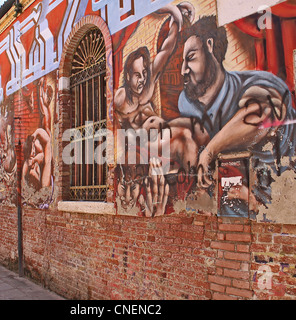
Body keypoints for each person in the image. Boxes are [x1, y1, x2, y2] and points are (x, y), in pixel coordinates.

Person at [178, 15, 296, 217]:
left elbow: (262, 115)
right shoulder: (187, 105)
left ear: (209, 46)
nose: (183, 71)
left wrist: (209, 152)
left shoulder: (258, 83)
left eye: (190, 58)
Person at [115, 2, 195, 131]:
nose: (142, 79)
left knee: (194, 126)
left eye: (144, 73)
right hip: (138, 141)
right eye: (137, 75)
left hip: (160, 132)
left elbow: (166, 50)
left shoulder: (149, 81)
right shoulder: (120, 98)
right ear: (128, 76)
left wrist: (176, 20)